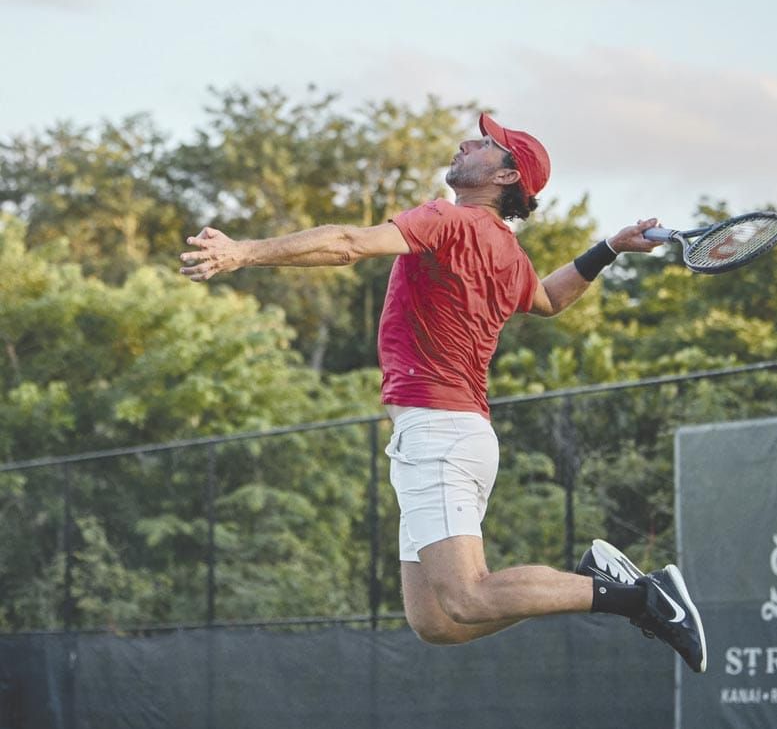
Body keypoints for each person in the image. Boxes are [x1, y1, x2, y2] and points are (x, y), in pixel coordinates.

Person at [179, 112, 707, 673]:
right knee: (437, 622)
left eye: (485, 144)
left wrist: (244, 252)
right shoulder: (504, 249)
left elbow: (348, 244)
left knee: (467, 597)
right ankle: (590, 583)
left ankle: (642, 597)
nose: (467, 143)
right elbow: (549, 300)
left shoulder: (449, 220)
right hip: (448, 435)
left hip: (440, 432)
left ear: (506, 177)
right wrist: (609, 247)